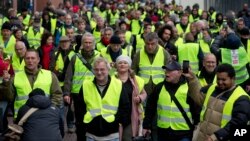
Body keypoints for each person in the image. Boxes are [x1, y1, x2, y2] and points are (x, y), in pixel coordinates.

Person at [185, 63, 250, 141]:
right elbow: (198, 97)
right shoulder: (212, 88)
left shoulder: (242, 98)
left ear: (233, 79)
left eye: (223, 80)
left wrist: (217, 136)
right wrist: (192, 79)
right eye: (218, 79)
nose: (220, 82)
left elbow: (238, 123)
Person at [142, 61, 199, 141]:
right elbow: (150, 107)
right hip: (163, 133)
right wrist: (146, 126)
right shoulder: (159, 87)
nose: (166, 73)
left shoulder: (189, 87)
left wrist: (197, 124)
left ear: (180, 72)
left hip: (183, 133)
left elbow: (196, 108)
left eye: (170, 71)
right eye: (166, 70)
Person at [78, 57, 130, 141]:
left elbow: (125, 107)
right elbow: (80, 108)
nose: (99, 72)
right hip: (91, 134)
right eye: (96, 69)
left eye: (102, 69)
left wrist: (117, 122)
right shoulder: (85, 85)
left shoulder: (118, 84)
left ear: (108, 70)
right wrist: (84, 125)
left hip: (112, 134)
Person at [2, 49, 63, 118]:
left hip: (45, 116)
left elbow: (57, 94)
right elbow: (9, 97)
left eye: (33, 58)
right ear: (24, 60)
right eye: (27, 58)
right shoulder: (15, 77)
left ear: (38, 60)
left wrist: (51, 109)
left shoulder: (50, 75)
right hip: (22, 117)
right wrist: (6, 83)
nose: (30, 61)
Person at [63, 32, 100, 141]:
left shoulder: (99, 56)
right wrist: (66, 93)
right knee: (80, 121)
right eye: (85, 42)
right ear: (82, 43)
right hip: (78, 94)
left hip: (94, 92)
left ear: (93, 43)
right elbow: (68, 76)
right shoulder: (75, 57)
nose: (88, 44)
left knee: (94, 118)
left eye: (90, 42)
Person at [115, 55, 147, 140]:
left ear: (129, 65)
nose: (122, 65)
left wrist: (140, 98)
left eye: (125, 63)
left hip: (131, 115)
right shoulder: (111, 79)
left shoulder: (136, 79)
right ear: (116, 66)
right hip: (116, 115)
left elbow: (144, 93)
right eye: (120, 63)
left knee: (128, 138)